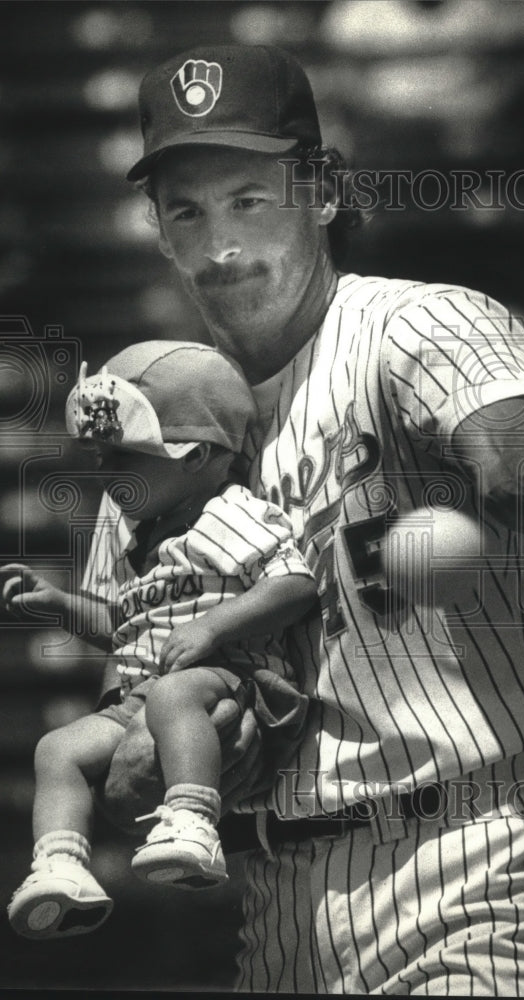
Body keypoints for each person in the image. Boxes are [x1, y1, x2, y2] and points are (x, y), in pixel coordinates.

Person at [95, 44, 524, 995]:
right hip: (274, 904)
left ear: (321, 190)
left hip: (474, 861)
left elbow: (503, 436)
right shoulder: (144, 429)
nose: (221, 245)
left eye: (250, 199)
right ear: (157, 231)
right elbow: (124, 725)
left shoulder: (414, 324)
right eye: (187, 213)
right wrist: (142, 763)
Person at [3, 340, 316, 941]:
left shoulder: (225, 516)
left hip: (227, 675)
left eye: (124, 458)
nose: (103, 472)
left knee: (174, 698)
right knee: (57, 749)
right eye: (100, 455)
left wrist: (212, 626)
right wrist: (64, 607)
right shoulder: (139, 542)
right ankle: (61, 866)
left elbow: (294, 584)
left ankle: (194, 823)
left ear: (195, 456)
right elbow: (126, 636)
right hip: (145, 693)